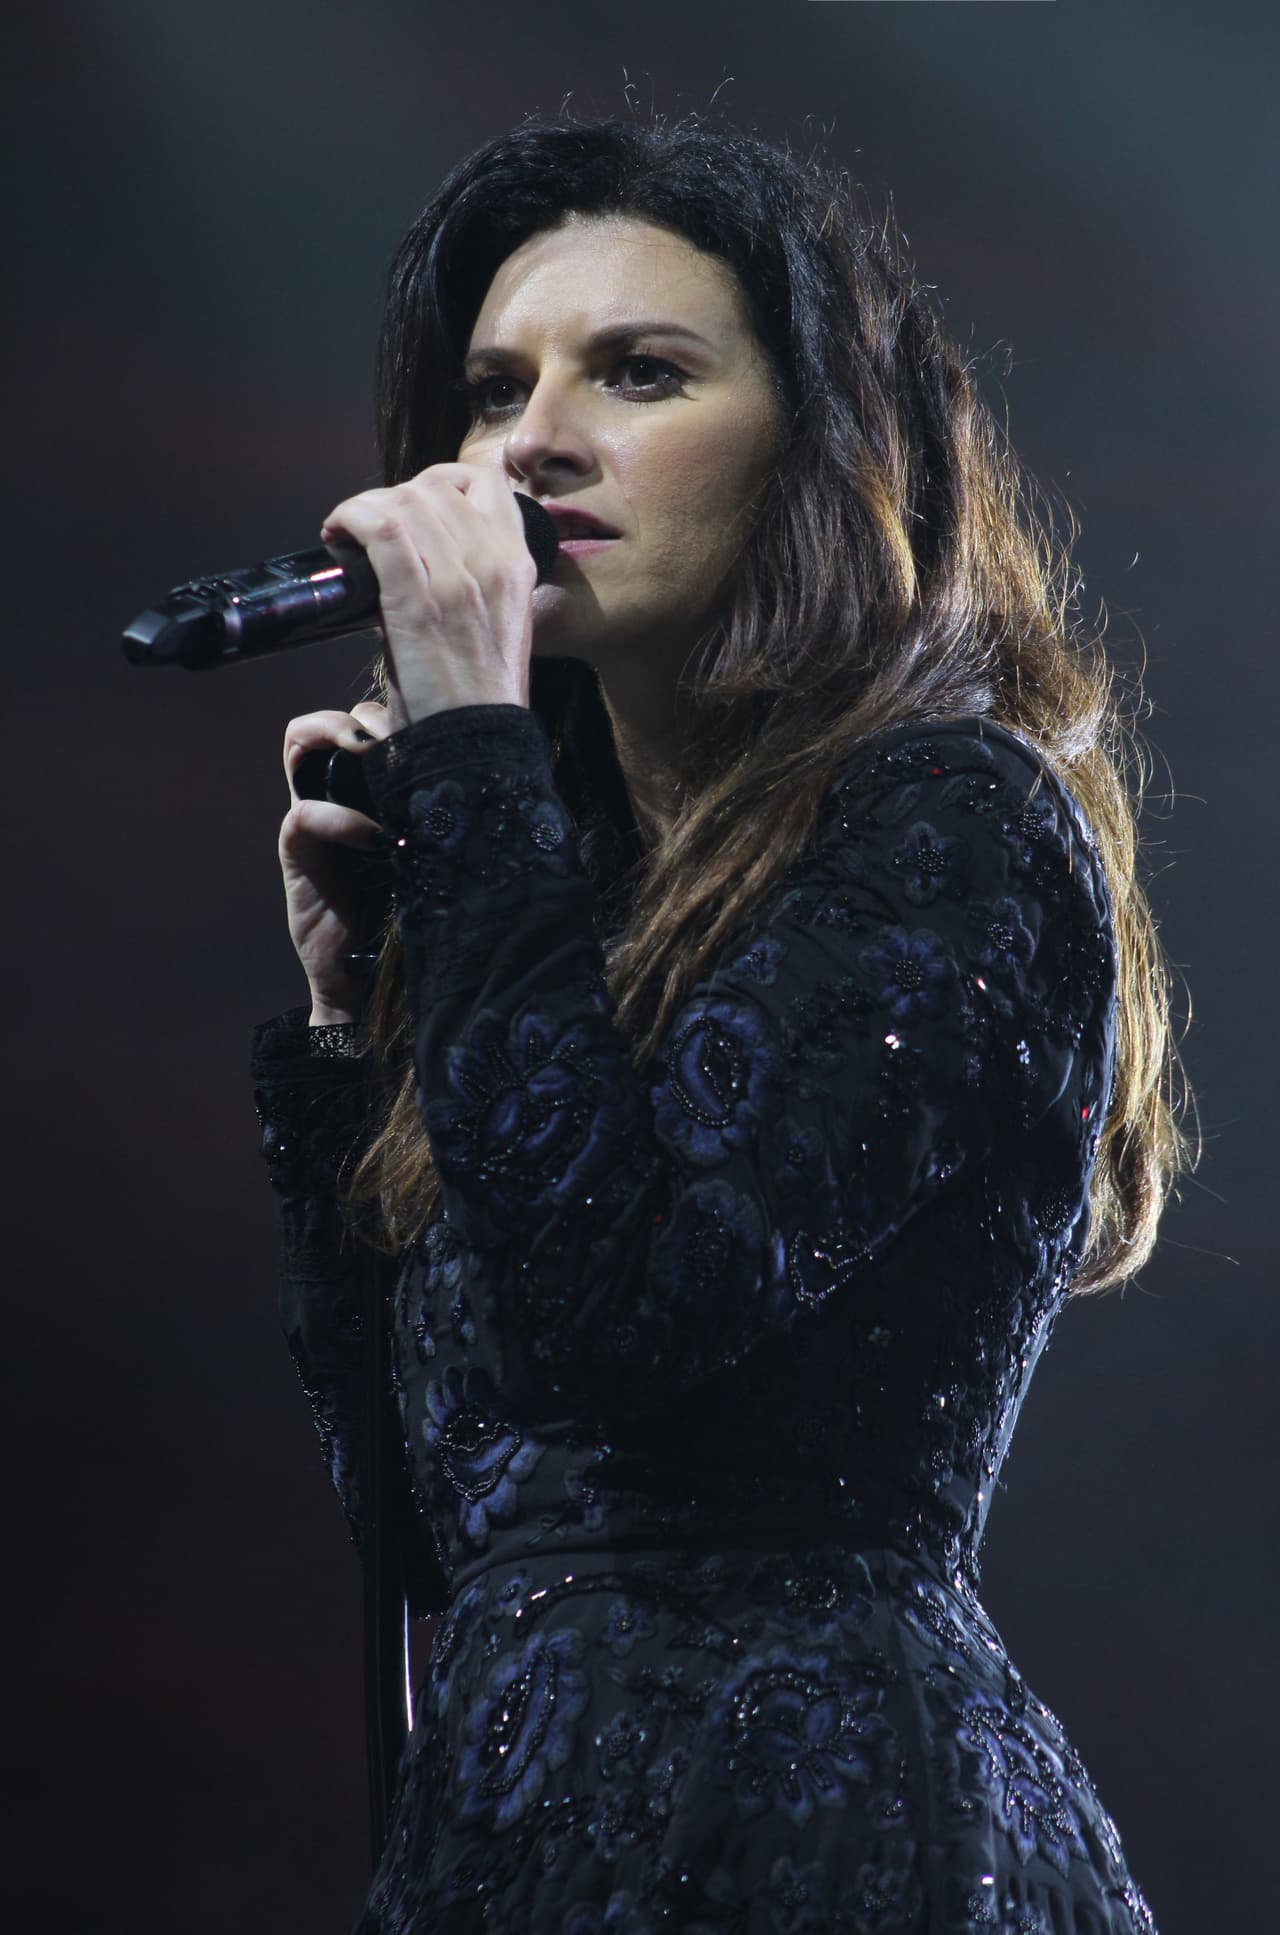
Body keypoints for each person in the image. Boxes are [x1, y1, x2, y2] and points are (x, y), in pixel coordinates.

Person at [249, 116, 1189, 1934]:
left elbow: (630, 1317)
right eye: (493, 390)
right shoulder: (544, 916)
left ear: (817, 449)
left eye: (643, 371)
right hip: (525, 1849)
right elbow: (444, 1524)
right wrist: (353, 1032)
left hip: (822, 1839)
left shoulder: (954, 827)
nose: (533, 444)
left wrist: (473, 756)